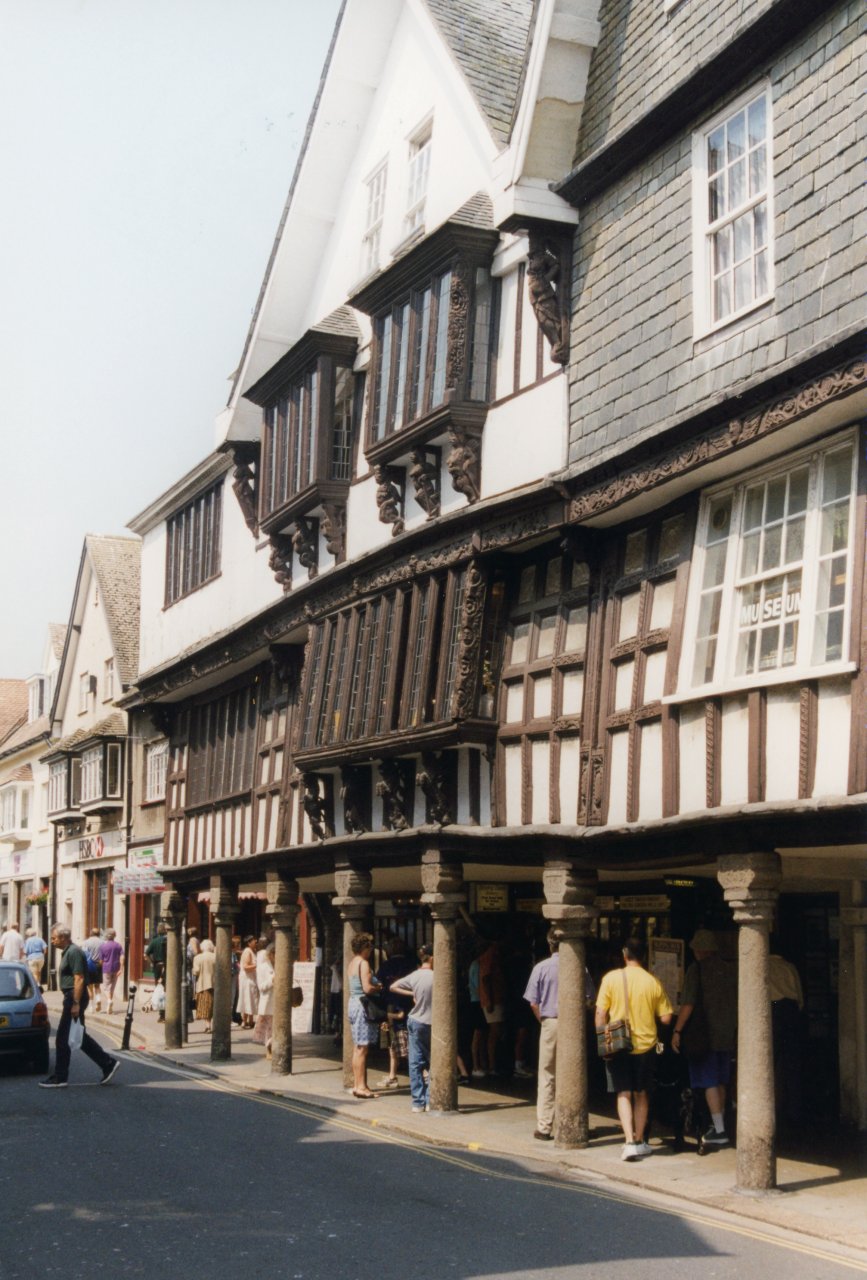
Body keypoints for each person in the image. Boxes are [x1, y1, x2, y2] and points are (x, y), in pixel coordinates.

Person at [595, 936, 674, 1161]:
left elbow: (600, 1013)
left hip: (619, 1044)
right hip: (646, 1045)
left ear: (624, 953)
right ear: (645, 956)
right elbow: (667, 1018)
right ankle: (640, 1140)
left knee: (623, 1093)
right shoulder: (653, 982)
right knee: (642, 1094)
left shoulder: (611, 978)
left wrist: (603, 1040)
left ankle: (628, 1141)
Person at [524, 932, 596, 1141]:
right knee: (575, 1073)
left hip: (550, 1022)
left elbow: (533, 1002)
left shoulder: (540, 968)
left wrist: (544, 1021)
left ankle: (544, 1127)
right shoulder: (580, 967)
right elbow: (590, 998)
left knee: (547, 1074)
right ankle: (572, 1124)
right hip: (573, 1022)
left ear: (550, 946)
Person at [672, 929, 737, 1148]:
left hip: (704, 1034)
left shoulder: (696, 969)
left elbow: (688, 1003)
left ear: (698, 950)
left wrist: (677, 1030)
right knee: (721, 1080)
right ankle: (720, 1124)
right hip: (727, 1033)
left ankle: (718, 1129)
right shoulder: (730, 969)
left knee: (708, 1080)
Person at [39, 924, 119, 1088]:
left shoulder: (74, 952)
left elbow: (80, 978)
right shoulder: (68, 952)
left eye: (54, 938)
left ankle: (60, 1078)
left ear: (63, 937)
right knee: (79, 1036)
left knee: (62, 1038)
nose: (52, 941)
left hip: (74, 997)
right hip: (72, 997)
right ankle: (107, 1063)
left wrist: (75, 1003)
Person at [390, 944, 434, 1113]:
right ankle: (430, 1100)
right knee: (432, 1062)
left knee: (415, 1062)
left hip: (415, 1021)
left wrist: (412, 993)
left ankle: (418, 1102)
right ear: (432, 958)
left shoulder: (415, 976)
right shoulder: (437, 976)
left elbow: (393, 986)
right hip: (432, 1022)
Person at [769, 949, 805, 1130]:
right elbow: (800, 998)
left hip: (772, 1010)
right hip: (790, 1010)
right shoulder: (790, 967)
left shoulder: (764, 965)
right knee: (792, 1063)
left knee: (768, 1063)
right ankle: (794, 1111)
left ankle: (768, 1110)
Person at [346, 932, 384, 1099]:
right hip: (362, 1005)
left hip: (353, 1003)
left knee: (357, 1048)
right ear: (364, 947)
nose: (371, 950)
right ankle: (361, 1087)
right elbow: (367, 988)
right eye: (369, 947)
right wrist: (379, 988)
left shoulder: (351, 963)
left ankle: (357, 1085)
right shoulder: (364, 963)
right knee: (363, 1049)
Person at [375, 936, 414, 1088]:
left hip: (390, 1005)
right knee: (410, 1039)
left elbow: (378, 985)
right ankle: (417, 1072)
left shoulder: (385, 966)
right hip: (409, 1004)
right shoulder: (410, 965)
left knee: (392, 1040)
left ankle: (392, 1075)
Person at [479, 939, 506, 1076]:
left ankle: (493, 1064)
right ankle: (492, 1065)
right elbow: (485, 979)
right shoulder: (489, 957)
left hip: (496, 998)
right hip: (493, 1000)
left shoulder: (493, 956)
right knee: (494, 1033)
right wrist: (489, 1000)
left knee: (496, 1032)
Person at [253, 937, 275, 1051]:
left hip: (278, 1003)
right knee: (269, 1030)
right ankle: (269, 1049)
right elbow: (261, 986)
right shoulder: (262, 968)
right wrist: (272, 980)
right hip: (268, 1002)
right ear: (270, 954)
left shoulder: (280, 966)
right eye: (274, 953)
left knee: (276, 1030)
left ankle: (272, 1048)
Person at [98, 928, 125, 1015]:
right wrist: (121, 968)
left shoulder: (103, 946)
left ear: (106, 936)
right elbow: (122, 957)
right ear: (114, 936)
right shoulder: (118, 946)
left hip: (106, 968)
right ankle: (110, 1008)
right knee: (112, 987)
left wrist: (100, 966)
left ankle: (109, 1001)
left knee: (105, 987)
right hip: (116, 968)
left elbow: (101, 960)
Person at [192, 938, 216, 1033]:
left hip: (202, 984)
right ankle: (211, 1024)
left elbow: (196, 971)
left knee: (205, 1005)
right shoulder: (216, 957)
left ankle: (207, 1025)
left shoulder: (198, 958)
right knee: (213, 1005)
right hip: (214, 984)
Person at [145, 922, 168, 1021]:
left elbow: (145, 954)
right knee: (167, 989)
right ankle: (167, 1012)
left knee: (159, 990)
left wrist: (152, 963)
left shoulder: (154, 941)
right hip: (167, 966)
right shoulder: (168, 940)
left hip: (157, 967)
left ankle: (162, 1014)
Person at [238, 936, 259, 1029]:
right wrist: (258, 965)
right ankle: (244, 1020)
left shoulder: (251, 951)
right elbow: (246, 967)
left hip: (250, 978)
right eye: (254, 940)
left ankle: (250, 1021)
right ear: (249, 942)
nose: (256, 941)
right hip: (247, 979)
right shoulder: (247, 951)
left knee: (250, 998)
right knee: (247, 998)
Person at [82, 928, 103, 1009]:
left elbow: (84, 954)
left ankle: (91, 1006)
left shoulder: (86, 942)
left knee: (90, 986)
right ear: (98, 934)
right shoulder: (102, 942)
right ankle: (98, 999)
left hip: (89, 965)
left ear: (90, 933)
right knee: (97, 985)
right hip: (98, 965)